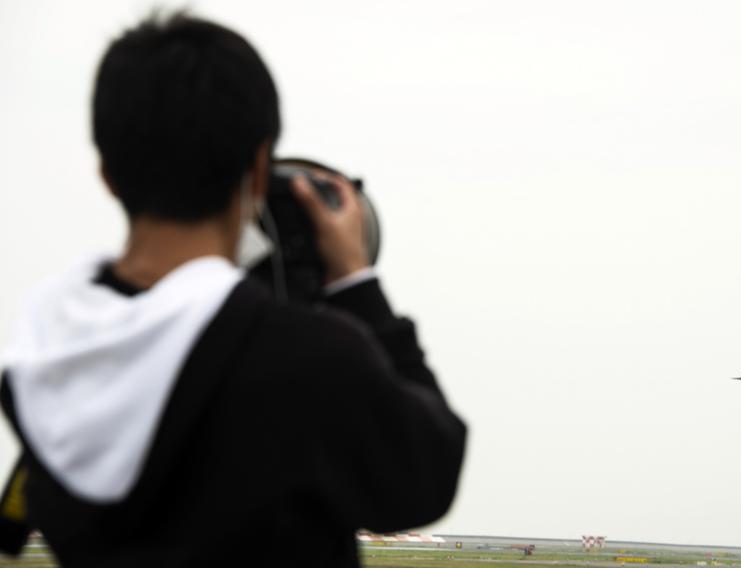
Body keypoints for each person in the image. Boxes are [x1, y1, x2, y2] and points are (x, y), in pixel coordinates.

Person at [0, 12, 466, 567]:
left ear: (107, 172)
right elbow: (424, 478)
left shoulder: (50, 359)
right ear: (258, 166)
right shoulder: (312, 357)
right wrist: (355, 285)